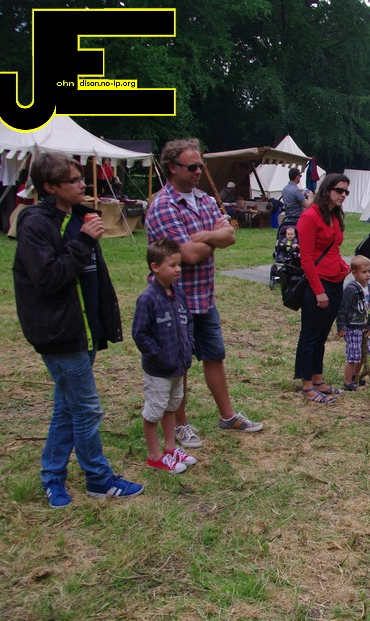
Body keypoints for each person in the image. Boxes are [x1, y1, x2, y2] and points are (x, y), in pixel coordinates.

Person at [13, 152, 143, 506]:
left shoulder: (79, 216)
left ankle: (52, 477)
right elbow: (48, 278)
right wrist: (84, 240)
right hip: (58, 332)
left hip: (85, 329)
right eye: (72, 180)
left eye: (80, 177)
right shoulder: (35, 223)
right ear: (50, 187)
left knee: (67, 408)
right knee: (86, 409)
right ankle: (98, 479)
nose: (82, 183)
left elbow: (92, 276)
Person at [146, 138, 263, 448]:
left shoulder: (206, 199)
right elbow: (188, 255)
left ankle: (228, 416)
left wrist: (205, 236)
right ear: (173, 168)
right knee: (178, 365)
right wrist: (213, 239)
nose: (198, 171)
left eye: (200, 166)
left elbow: (230, 235)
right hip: (173, 300)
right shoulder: (163, 205)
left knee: (214, 356)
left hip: (203, 298)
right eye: (192, 167)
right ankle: (180, 425)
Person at [132, 239, 197, 474]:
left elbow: (188, 321)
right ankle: (154, 455)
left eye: (179, 265)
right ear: (155, 267)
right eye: (172, 265)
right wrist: (158, 355)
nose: (178, 269)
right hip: (159, 370)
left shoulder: (178, 293)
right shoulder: (148, 298)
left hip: (178, 366)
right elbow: (140, 334)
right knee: (154, 412)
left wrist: (188, 346)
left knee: (171, 407)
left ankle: (170, 448)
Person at [295, 173, 351, 403]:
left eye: (346, 192)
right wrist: (318, 290)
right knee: (310, 335)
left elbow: (334, 249)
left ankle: (317, 379)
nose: (343, 195)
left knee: (322, 335)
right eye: (339, 190)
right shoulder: (310, 217)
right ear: (327, 190)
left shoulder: (334, 216)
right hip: (318, 283)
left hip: (335, 281)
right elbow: (306, 259)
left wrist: (343, 267)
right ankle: (307, 384)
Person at [336, 255, 370, 391]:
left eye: (369, 271)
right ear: (354, 273)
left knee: (363, 353)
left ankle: (355, 377)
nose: (368, 275)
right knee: (353, 356)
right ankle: (348, 382)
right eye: (364, 272)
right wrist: (341, 326)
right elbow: (342, 309)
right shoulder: (351, 289)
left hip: (363, 328)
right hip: (352, 327)